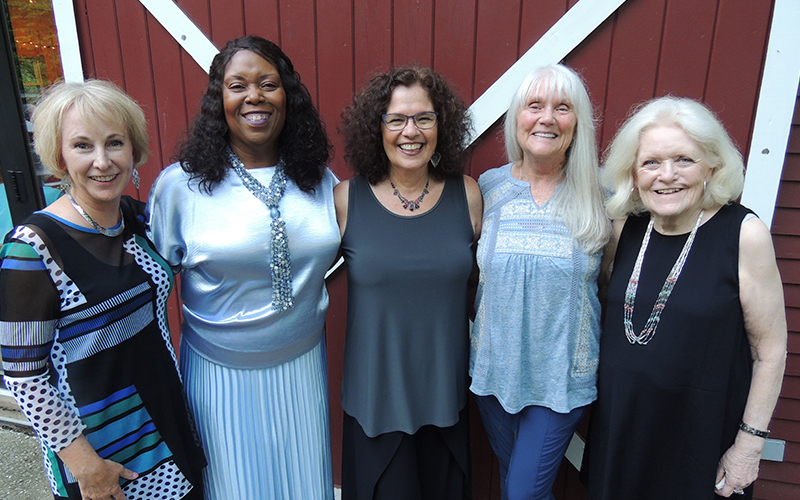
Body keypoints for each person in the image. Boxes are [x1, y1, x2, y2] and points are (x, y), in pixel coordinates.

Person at [147, 35, 339, 499]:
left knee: (303, 485)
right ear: (220, 100)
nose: (254, 96)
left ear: (287, 95)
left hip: (302, 370)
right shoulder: (181, 187)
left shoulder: (318, 178)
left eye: (268, 83)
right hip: (218, 377)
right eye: (238, 85)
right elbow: (147, 291)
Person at [0, 79, 206, 500]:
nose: (102, 161)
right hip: (105, 453)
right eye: (82, 146)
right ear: (59, 154)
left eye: (114, 143)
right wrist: (85, 466)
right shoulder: (32, 248)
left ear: (134, 151)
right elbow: (23, 377)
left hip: (167, 424)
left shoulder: (135, 219)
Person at [582, 96, 787, 499]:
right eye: (651, 162)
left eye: (684, 160)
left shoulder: (743, 234)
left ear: (712, 165)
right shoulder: (627, 230)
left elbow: (771, 350)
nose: (667, 175)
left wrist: (749, 445)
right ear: (633, 173)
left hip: (699, 442)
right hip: (622, 435)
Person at [335, 66, 482, 500]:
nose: (410, 131)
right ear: (376, 128)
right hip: (375, 405)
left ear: (442, 125)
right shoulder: (347, 200)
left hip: (446, 402)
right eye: (396, 119)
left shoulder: (469, 195)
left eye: (424, 117)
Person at [469, 64, 610, 500]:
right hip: (493, 375)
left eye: (562, 108)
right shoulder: (488, 188)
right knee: (519, 484)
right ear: (518, 118)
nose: (547, 118)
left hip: (560, 381)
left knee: (522, 493)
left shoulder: (603, 196)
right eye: (535, 106)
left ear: (577, 124)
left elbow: (615, 277)